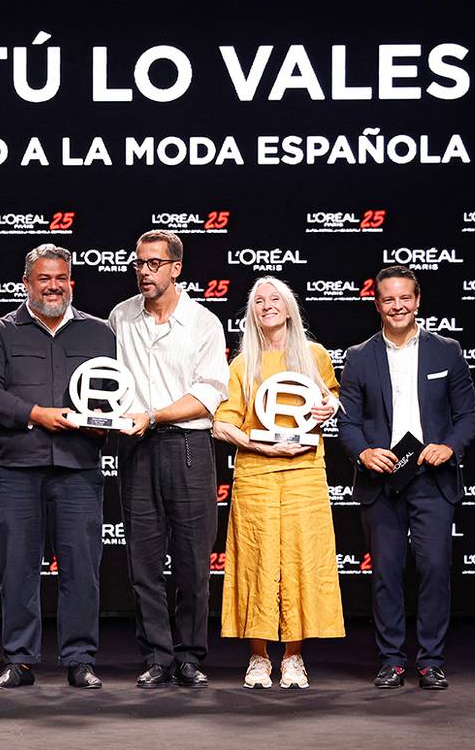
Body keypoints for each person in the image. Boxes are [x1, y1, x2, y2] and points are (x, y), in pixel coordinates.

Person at [0, 243, 115, 690]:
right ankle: (20, 659)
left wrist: (104, 422)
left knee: (82, 568)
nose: (53, 286)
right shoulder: (0, 332)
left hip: (79, 467)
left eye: (61, 278)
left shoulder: (100, 333)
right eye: (44, 278)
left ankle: (80, 659)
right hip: (18, 468)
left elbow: (116, 392)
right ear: (26, 284)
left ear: (71, 282)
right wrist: (35, 414)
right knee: (17, 567)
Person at [338, 266, 475, 690]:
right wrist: (363, 451)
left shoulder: (446, 351)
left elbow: (468, 415)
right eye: (388, 299)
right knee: (386, 572)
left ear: (417, 301)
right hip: (381, 479)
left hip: (431, 476)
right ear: (376, 303)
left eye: (405, 298)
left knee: (435, 568)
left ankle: (431, 659)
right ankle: (393, 660)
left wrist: (450, 446)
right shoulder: (359, 356)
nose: (397, 306)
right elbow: (348, 421)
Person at [107, 230, 229, 689]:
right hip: (136, 448)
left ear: (176, 268)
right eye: (138, 263)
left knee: (193, 563)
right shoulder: (120, 317)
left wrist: (153, 414)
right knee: (143, 561)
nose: (144, 271)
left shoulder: (203, 323)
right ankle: (157, 655)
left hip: (187, 447)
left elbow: (209, 395)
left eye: (154, 264)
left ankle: (191, 655)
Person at [211, 277, 344, 690]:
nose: (268, 305)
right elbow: (221, 424)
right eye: (259, 301)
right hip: (257, 474)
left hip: (305, 472)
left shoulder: (315, 356)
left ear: (289, 307)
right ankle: (257, 657)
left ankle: (294, 658)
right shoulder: (241, 363)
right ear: (252, 312)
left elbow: (333, 398)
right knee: (257, 561)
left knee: (303, 562)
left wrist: (331, 406)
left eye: (275, 299)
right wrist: (259, 445)